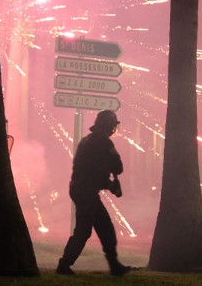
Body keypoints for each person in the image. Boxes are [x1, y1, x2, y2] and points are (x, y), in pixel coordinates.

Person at [56, 109, 132, 277]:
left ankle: (114, 265)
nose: (113, 128)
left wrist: (109, 184)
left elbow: (92, 170)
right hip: (86, 192)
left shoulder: (86, 141)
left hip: (81, 189)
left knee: (105, 227)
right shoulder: (104, 143)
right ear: (108, 125)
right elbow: (116, 167)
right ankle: (64, 265)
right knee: (84, 230)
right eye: (112, 125)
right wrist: (111, 184)